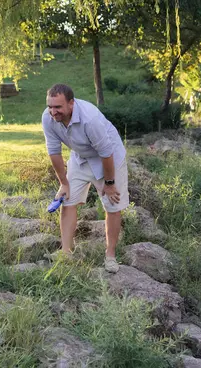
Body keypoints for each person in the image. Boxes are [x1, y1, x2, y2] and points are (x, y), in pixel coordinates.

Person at [41, 83, 129, 273]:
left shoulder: (90, 119)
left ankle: (110, 256)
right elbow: (54, 152)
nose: (53, 112)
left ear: (71, 104)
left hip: (109, 157)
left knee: (112, 204)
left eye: (58, 107)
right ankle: (66, 252)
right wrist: (63, 183)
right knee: (68, 200)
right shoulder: (48, 119)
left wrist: (110, 183)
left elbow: (106, 153)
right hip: (81, 157)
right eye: (50, 106)